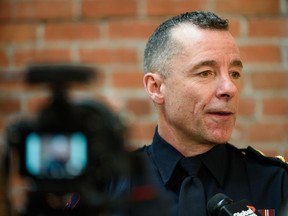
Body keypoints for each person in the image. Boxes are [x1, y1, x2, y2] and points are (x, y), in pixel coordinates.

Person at [109, 11, 288, 216]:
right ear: (156, 87)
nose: (229, 88)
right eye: (205, 73)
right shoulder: (110, 185)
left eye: (234, 73)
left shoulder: (277, 182)